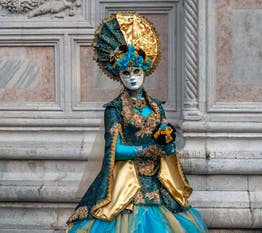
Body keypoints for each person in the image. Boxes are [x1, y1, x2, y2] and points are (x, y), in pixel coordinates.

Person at [66, 12, 208, 233]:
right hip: (126, 184)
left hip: (158, 183)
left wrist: (167, 144)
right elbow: (113, 151)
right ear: (118, 74)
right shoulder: (115, 109)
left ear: (145, 71)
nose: (132, 77)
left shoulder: (157, 107)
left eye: (137, 71)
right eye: (126, 72)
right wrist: (145, 149)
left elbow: (167, 145)